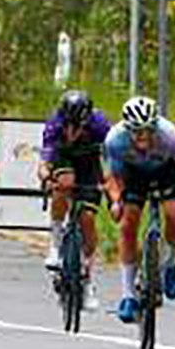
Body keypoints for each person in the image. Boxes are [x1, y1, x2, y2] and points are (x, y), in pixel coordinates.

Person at [104, 96, 175, 324]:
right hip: (133, 174)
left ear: (155, 127)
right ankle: (128, 295)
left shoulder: (170, 137)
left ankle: (170, 262)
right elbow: (112, 177)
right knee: (128, 225)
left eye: (148, 131)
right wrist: (115, 201)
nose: (143, 137)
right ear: (127, 130)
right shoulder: (114, 141)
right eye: (137, 132)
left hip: (166, 171)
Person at [37, 89, 110, 308]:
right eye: (67, 125)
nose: (71, 131)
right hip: (64, 157)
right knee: (63, 185)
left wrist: (109, 182)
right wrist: (46, 177)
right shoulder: (54, 124)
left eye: (76, 126)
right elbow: (44, 161)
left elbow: (112, 156)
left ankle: (87, 280)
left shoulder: (100, 125)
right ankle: (55, 243)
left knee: (88, 218)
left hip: (89, 162)